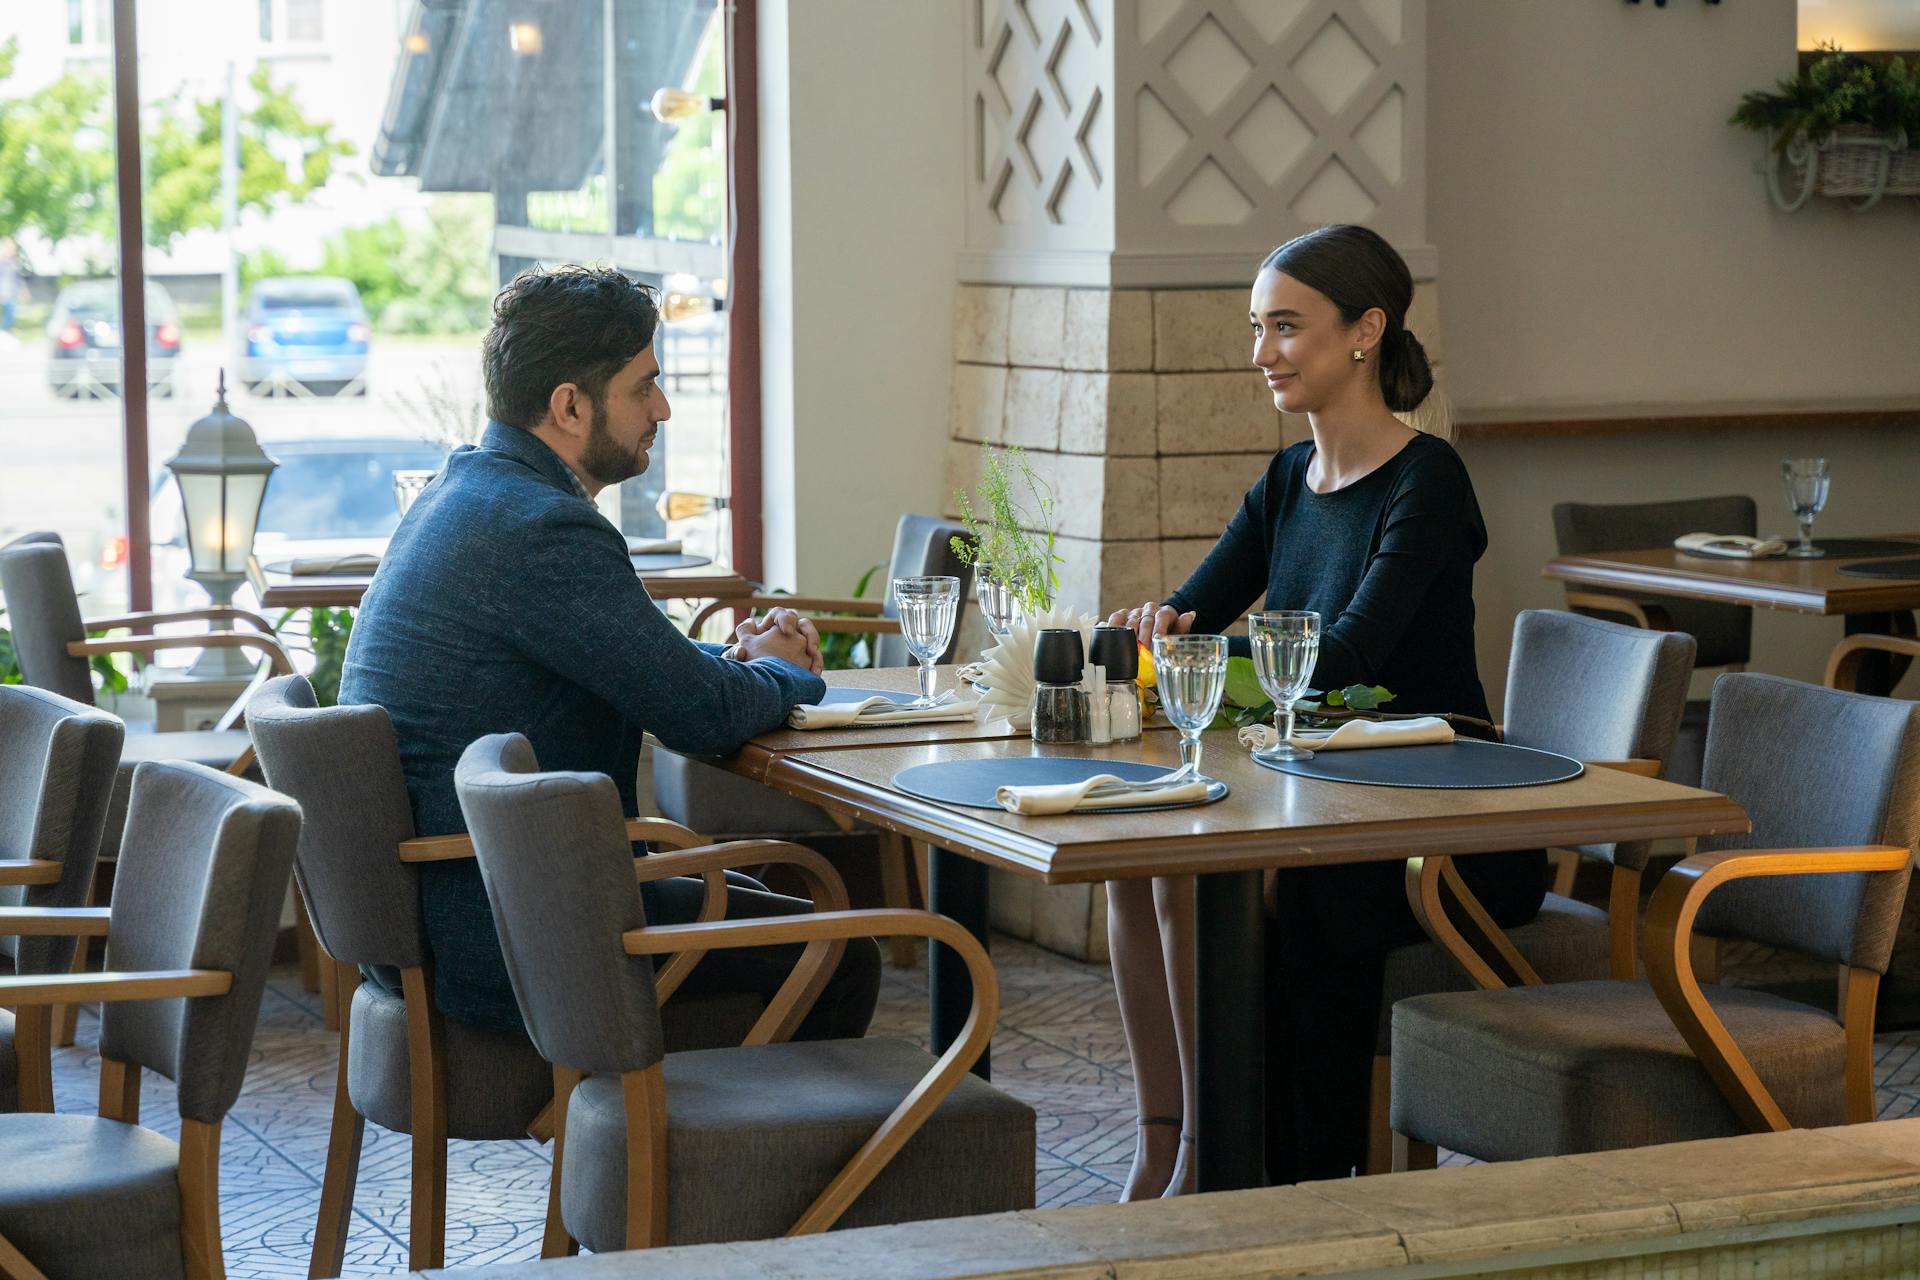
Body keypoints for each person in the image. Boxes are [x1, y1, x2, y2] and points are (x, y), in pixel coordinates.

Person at [1105, 224, 1544, 1190]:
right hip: (1327, 796)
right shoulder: (1283, 482)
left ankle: (1267, 1166)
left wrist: (1191, 653)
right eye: (1259, 328)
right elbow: (1194, 616)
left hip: (1446, 818)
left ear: (1365, 331)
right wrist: (1158, 630)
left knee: (1257, 885)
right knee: (1137, 869)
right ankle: (1174, 1144)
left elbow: (1339, 666)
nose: (1261, 353)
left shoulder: (1428, 480)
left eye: (1286, 328)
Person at [339, 264, 880, 1042]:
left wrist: (739, 669)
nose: (662, 408)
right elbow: (700, 717)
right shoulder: (541, 530)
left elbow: (654, 680)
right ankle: (686, 1153)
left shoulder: (464, 493)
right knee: (840, 953)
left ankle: (665, 1155)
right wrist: (787, 674)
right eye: (643, 387)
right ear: (569, 406)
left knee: (807, 936)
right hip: (518, 936)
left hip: (449, 916)